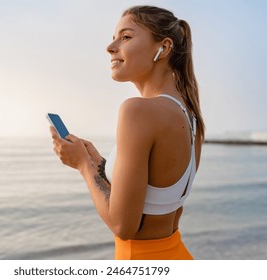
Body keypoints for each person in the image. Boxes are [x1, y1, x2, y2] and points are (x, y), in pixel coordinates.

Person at [49, 5, 205, 260]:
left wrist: (82, 166)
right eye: (113, 38)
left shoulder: (137, 111)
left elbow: (124, 226)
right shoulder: (191, 116)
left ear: (163, 48)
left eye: (126, 37)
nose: (110, 47)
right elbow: (156, 197)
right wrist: (98, 163)